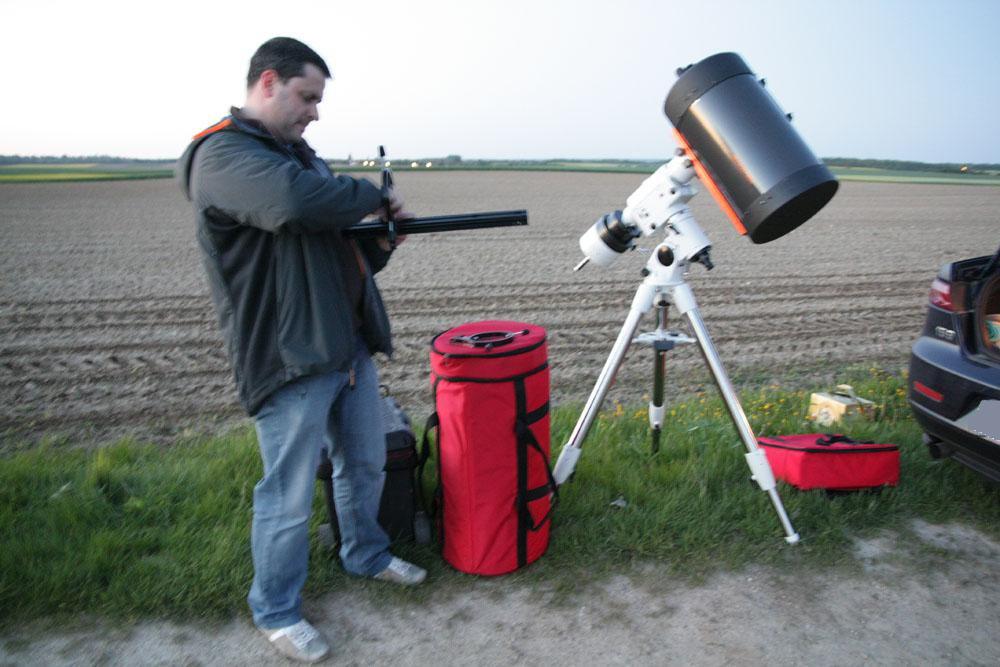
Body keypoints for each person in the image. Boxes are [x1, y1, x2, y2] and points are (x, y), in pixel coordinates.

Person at [177, 36, 424, 664]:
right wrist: (370, 193)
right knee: (286, 495)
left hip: (345, 345)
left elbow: (335, 250)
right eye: (307, 97)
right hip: (288, 355)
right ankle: (277, 611)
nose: (315, 112)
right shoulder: (223, 155)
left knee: (365, 464)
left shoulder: (298, 157)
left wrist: (379, 243)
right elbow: (292, 206)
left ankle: (365, 555)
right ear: (268, 82)